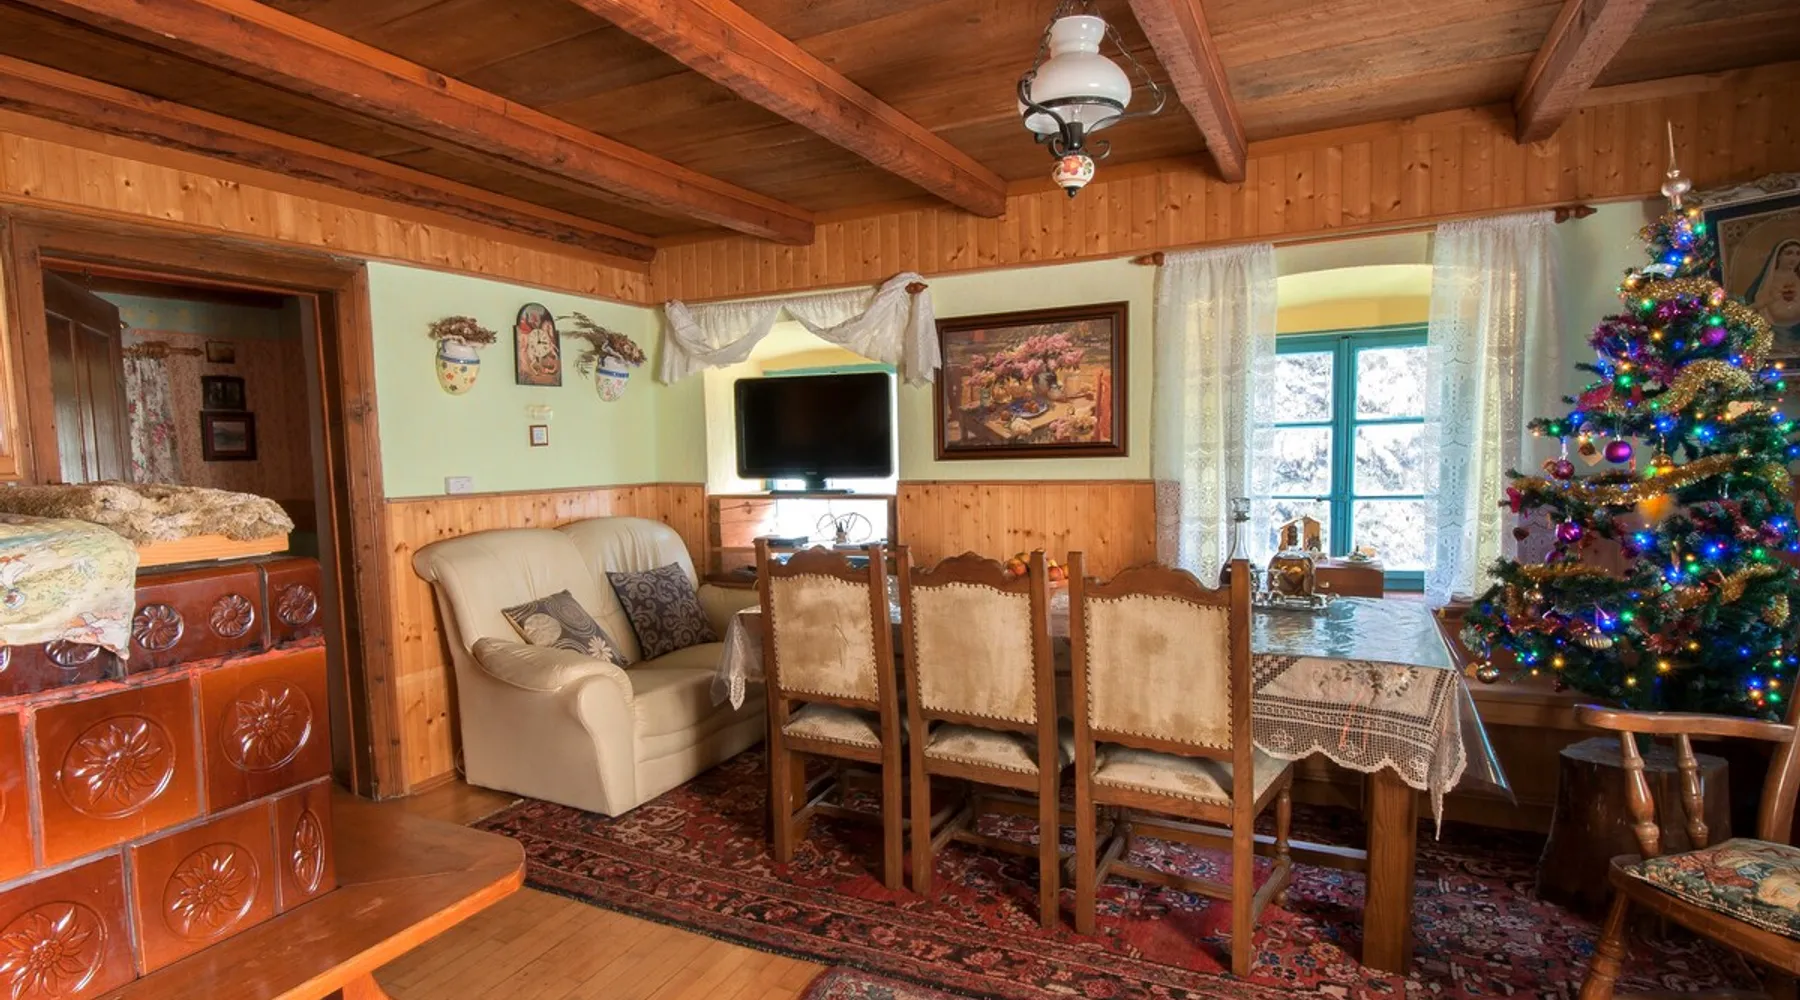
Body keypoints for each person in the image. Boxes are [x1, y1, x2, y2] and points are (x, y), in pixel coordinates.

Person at [1746, 238, 1800, 349]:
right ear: (1778, 256)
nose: (1794, 258)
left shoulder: (1797, 278)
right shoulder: (1768, 279)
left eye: (1798, 254)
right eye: (1789, 253)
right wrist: (1774, 298)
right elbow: (1754, 306)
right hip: (1775, 333)